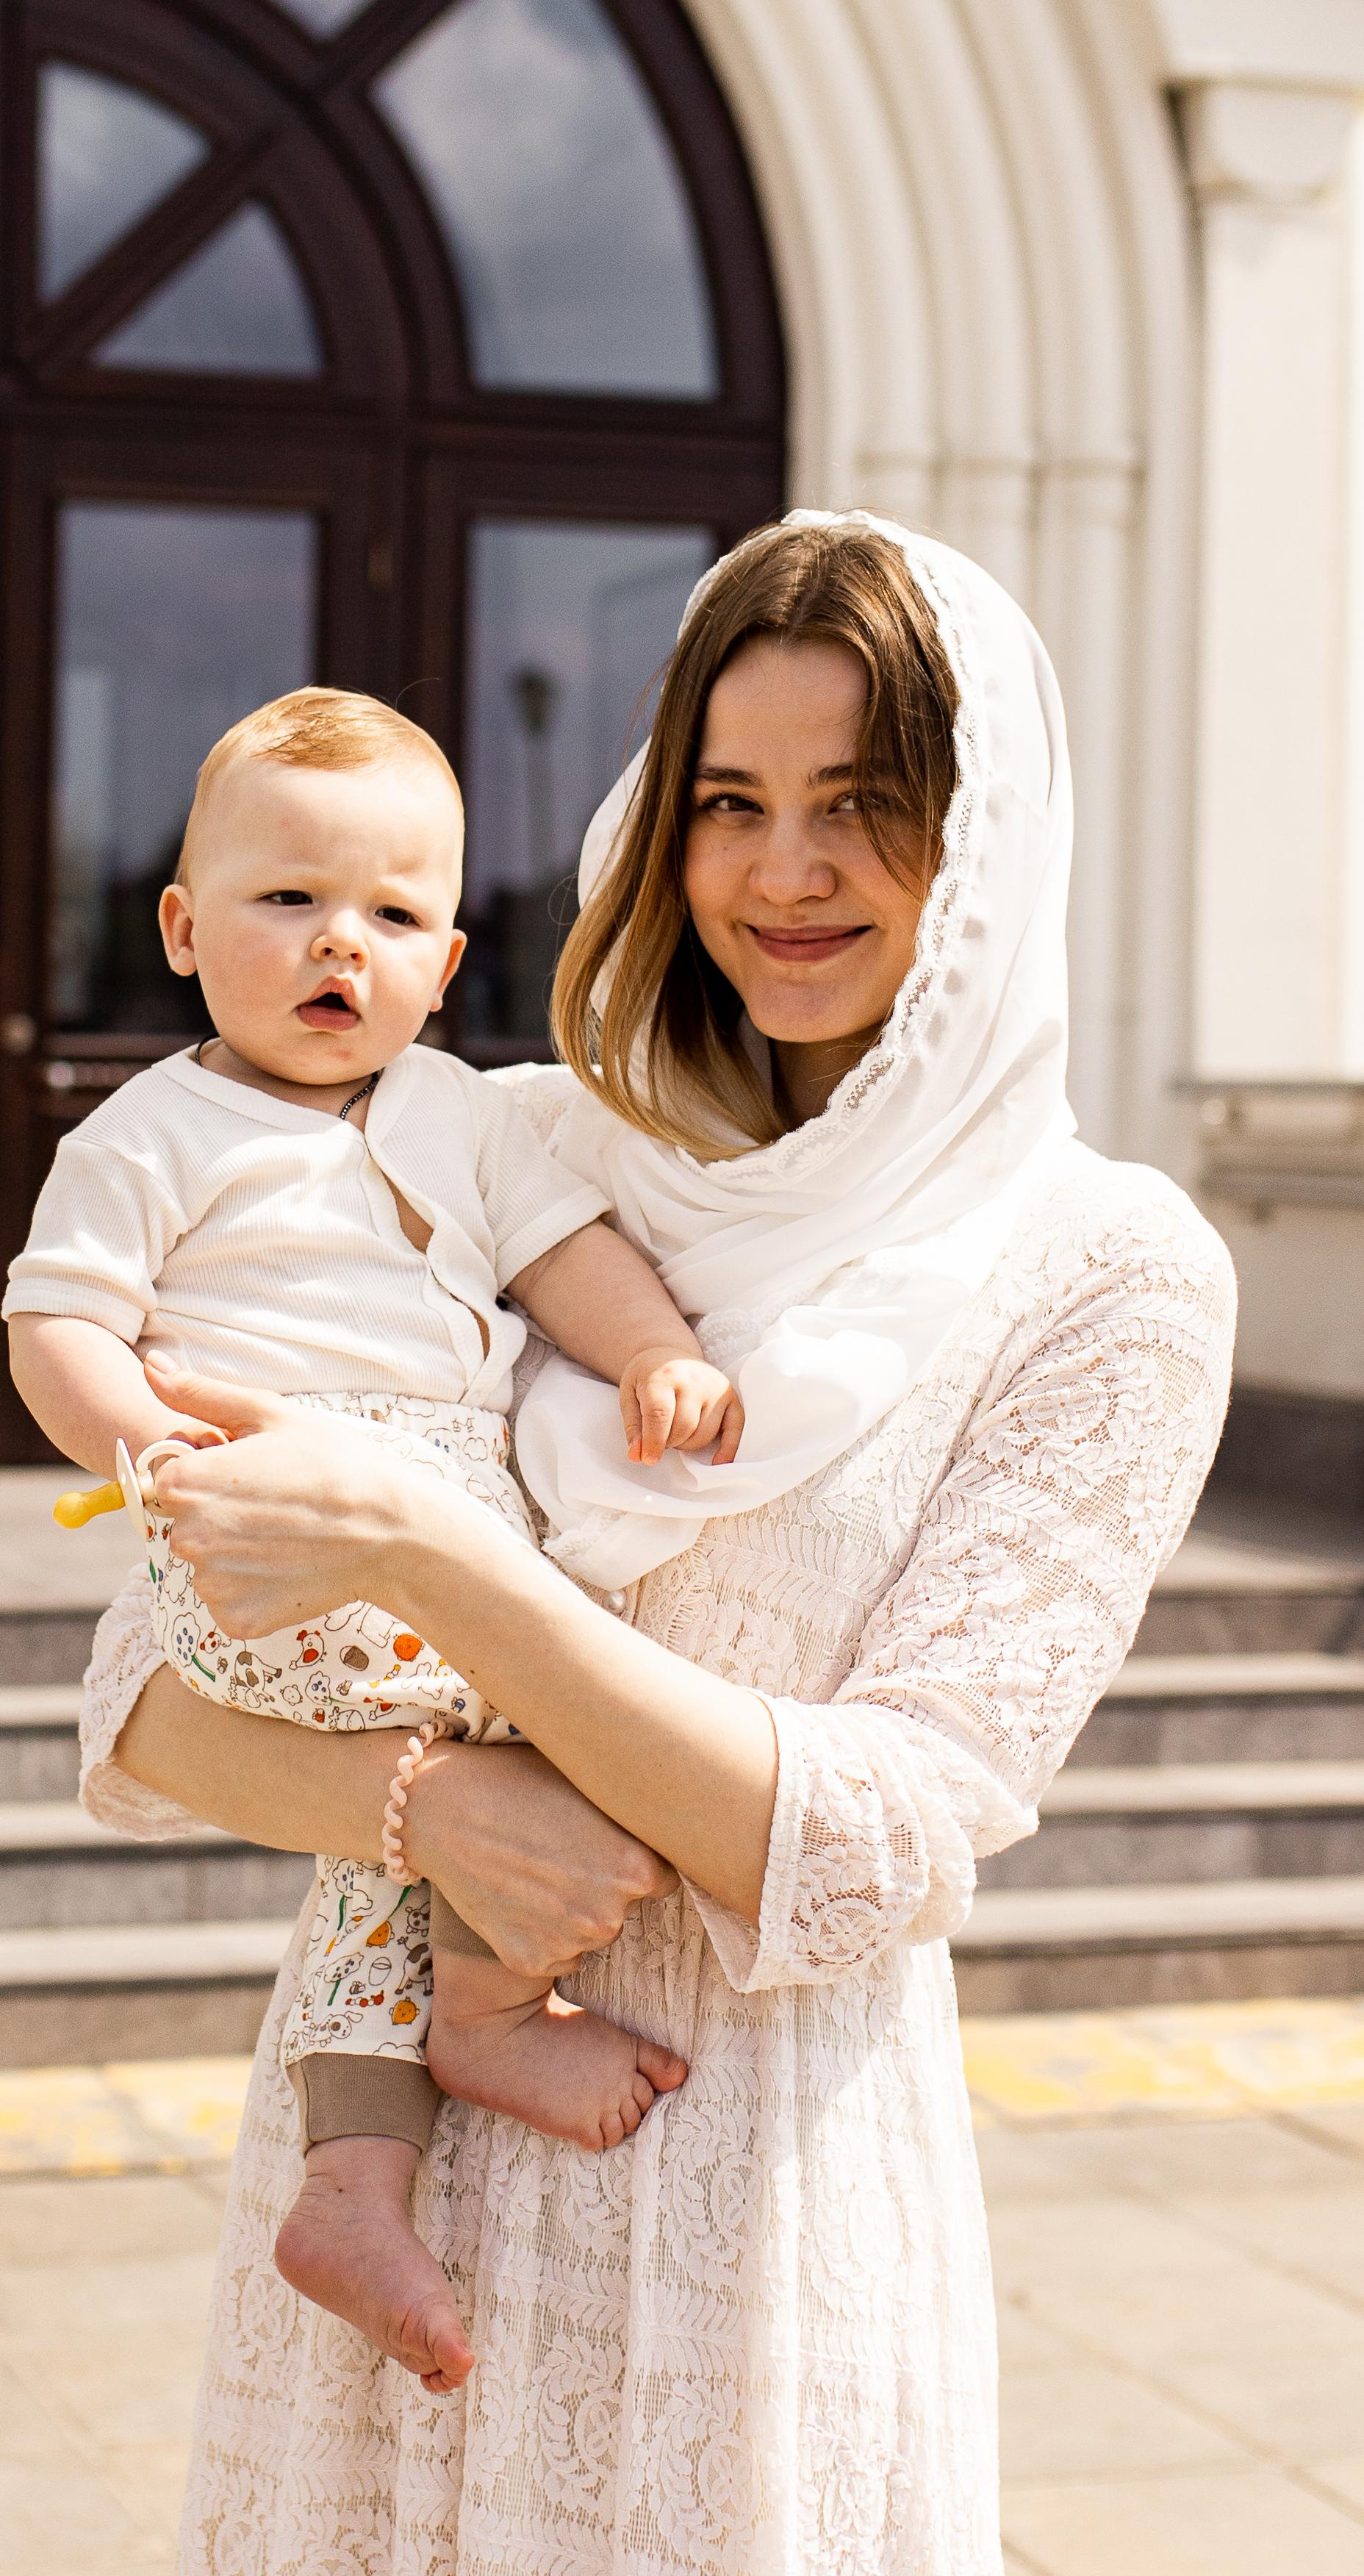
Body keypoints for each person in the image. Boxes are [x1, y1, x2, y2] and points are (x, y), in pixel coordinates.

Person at [77, 514, 1236, 2575]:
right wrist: (429, 1811)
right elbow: (139, 1697)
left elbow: (890, 1837)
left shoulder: (1107, 1274)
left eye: (864, 808)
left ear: (989, 846)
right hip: (381, 2185)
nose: (786, 874)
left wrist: (447, 1571)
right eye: (733, 803)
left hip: (741, 2246)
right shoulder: (519, 1149)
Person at [4, 686, 737, 2394]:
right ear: (183, 929)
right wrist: (148, 1447)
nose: (342, 945)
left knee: (388, 1851)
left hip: (430, 1524)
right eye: (287, 902)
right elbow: (60, 1328)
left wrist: (650, 1353)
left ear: (447, 954)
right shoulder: (150, 1135)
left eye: (392, 917)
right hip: (279, 1525)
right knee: (554, 1702)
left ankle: (351, 2179)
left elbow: (567, 1260)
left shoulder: (470, 1117)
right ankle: (486, 2020)